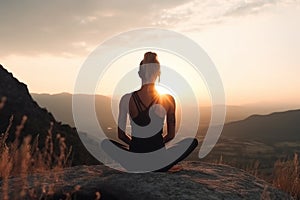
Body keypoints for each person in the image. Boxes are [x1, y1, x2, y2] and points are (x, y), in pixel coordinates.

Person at [102, 52, 198, 172]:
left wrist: (137, 146)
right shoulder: (168, 99)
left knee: (106, 143)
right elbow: (171, 135)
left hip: (134, 161)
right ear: (158, 74)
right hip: (159, 161)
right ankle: (162, 165)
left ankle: (139, 161)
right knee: (191, 142)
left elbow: (121, 136)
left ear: (139, 74)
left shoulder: (126, 99)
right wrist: (154, 147)